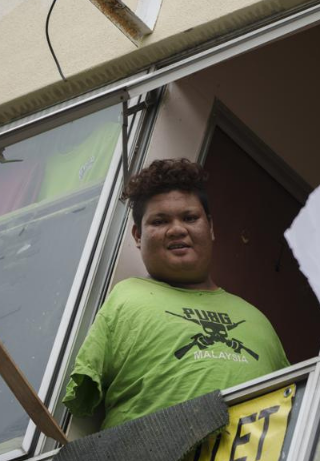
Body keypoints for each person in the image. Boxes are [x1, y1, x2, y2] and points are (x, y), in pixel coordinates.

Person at [63, 158, 289, 429]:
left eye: (190, 218)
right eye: (159, 221)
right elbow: (77, 416)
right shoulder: (125, 298)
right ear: (137, 236)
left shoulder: (257, 320)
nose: (177, 229)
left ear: (211, 227)